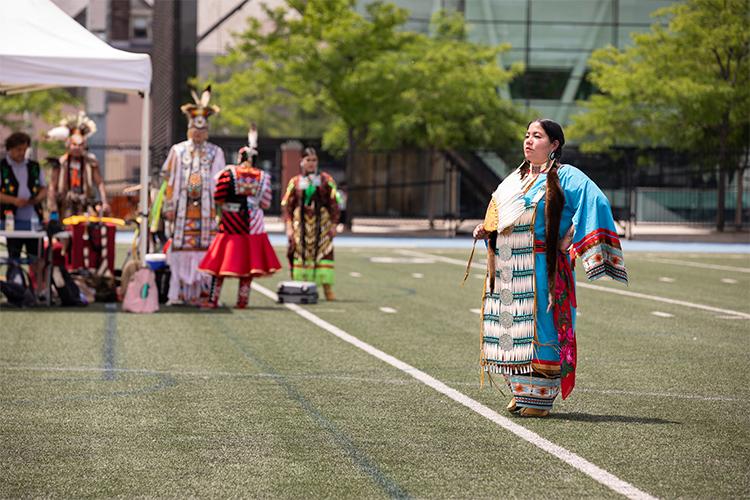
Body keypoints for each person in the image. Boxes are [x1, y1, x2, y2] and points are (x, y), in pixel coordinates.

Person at [472, 119, 628, 418]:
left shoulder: (566, 176)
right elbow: (499, 219)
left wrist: (570, 238)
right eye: (527, 135)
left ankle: (540, 400)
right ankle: (521, 391)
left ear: (554, 144)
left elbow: (596, 201)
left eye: (537, 136)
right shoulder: (514, 179)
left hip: (542, 270)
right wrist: (485, 230)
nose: (529, 141)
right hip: (508, 270)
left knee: (542, 328)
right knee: (511, 328)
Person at [198, 132, 281, 309]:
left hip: (230, 221)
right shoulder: (263, 176)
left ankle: (213, 299)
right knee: (249, 264)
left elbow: (218, 196)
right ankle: (242, 301)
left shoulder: (228, 173)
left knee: (220, 263)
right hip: (253, 223)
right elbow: (266, 202)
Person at [161, 86, 226, 305]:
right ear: (189, 130)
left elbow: (220, 184)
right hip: (182, 209)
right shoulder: (177, 151)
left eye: (202, 130)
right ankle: (178, 292)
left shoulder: (216, 152)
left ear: (207, 131)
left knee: (204, 248)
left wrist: (219, 211)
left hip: (205, 211)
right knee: (180, 248)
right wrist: (169, 205)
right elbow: (168, 180)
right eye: (195, 130)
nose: (198, 134)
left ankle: (201, 292)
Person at [46, 111, 113, 273]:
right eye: (74, 144)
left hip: (85, 208)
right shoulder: (60, 163)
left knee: (89, 238)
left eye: (80, 144)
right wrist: (52, 209)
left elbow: (100, 183)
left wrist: (104, 202)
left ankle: (87, 269)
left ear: (85, 144)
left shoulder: (91, 163)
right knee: (65, 239)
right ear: (68, 144)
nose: (77, 148)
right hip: (65, 208)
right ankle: (66, 269)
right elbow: (52, 187)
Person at [281, 147, 340, 301]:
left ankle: (327, 289)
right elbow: (287, 205)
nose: (311, 163)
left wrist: (334, 224)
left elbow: (334, 203)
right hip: (301, 225)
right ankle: (301, 287)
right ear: (302, 162)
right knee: (300, 252)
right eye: (308, 160)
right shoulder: (295, 182)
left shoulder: (326, 180)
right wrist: (288, 226)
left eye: (314, 160)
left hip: (322, 225)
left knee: (324, 252)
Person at [0, 132, 48, 290]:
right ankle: (13, 288)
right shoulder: (3, 167)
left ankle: (39, 289)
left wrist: (36, 199)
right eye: (18, 150)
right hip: (10, 220)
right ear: (10, 149)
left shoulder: (34, 166)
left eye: (24, 149)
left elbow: (43, 188)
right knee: (14, 256)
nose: (21, 153)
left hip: (33, 219)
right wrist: (14, 201)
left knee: (35, 256)